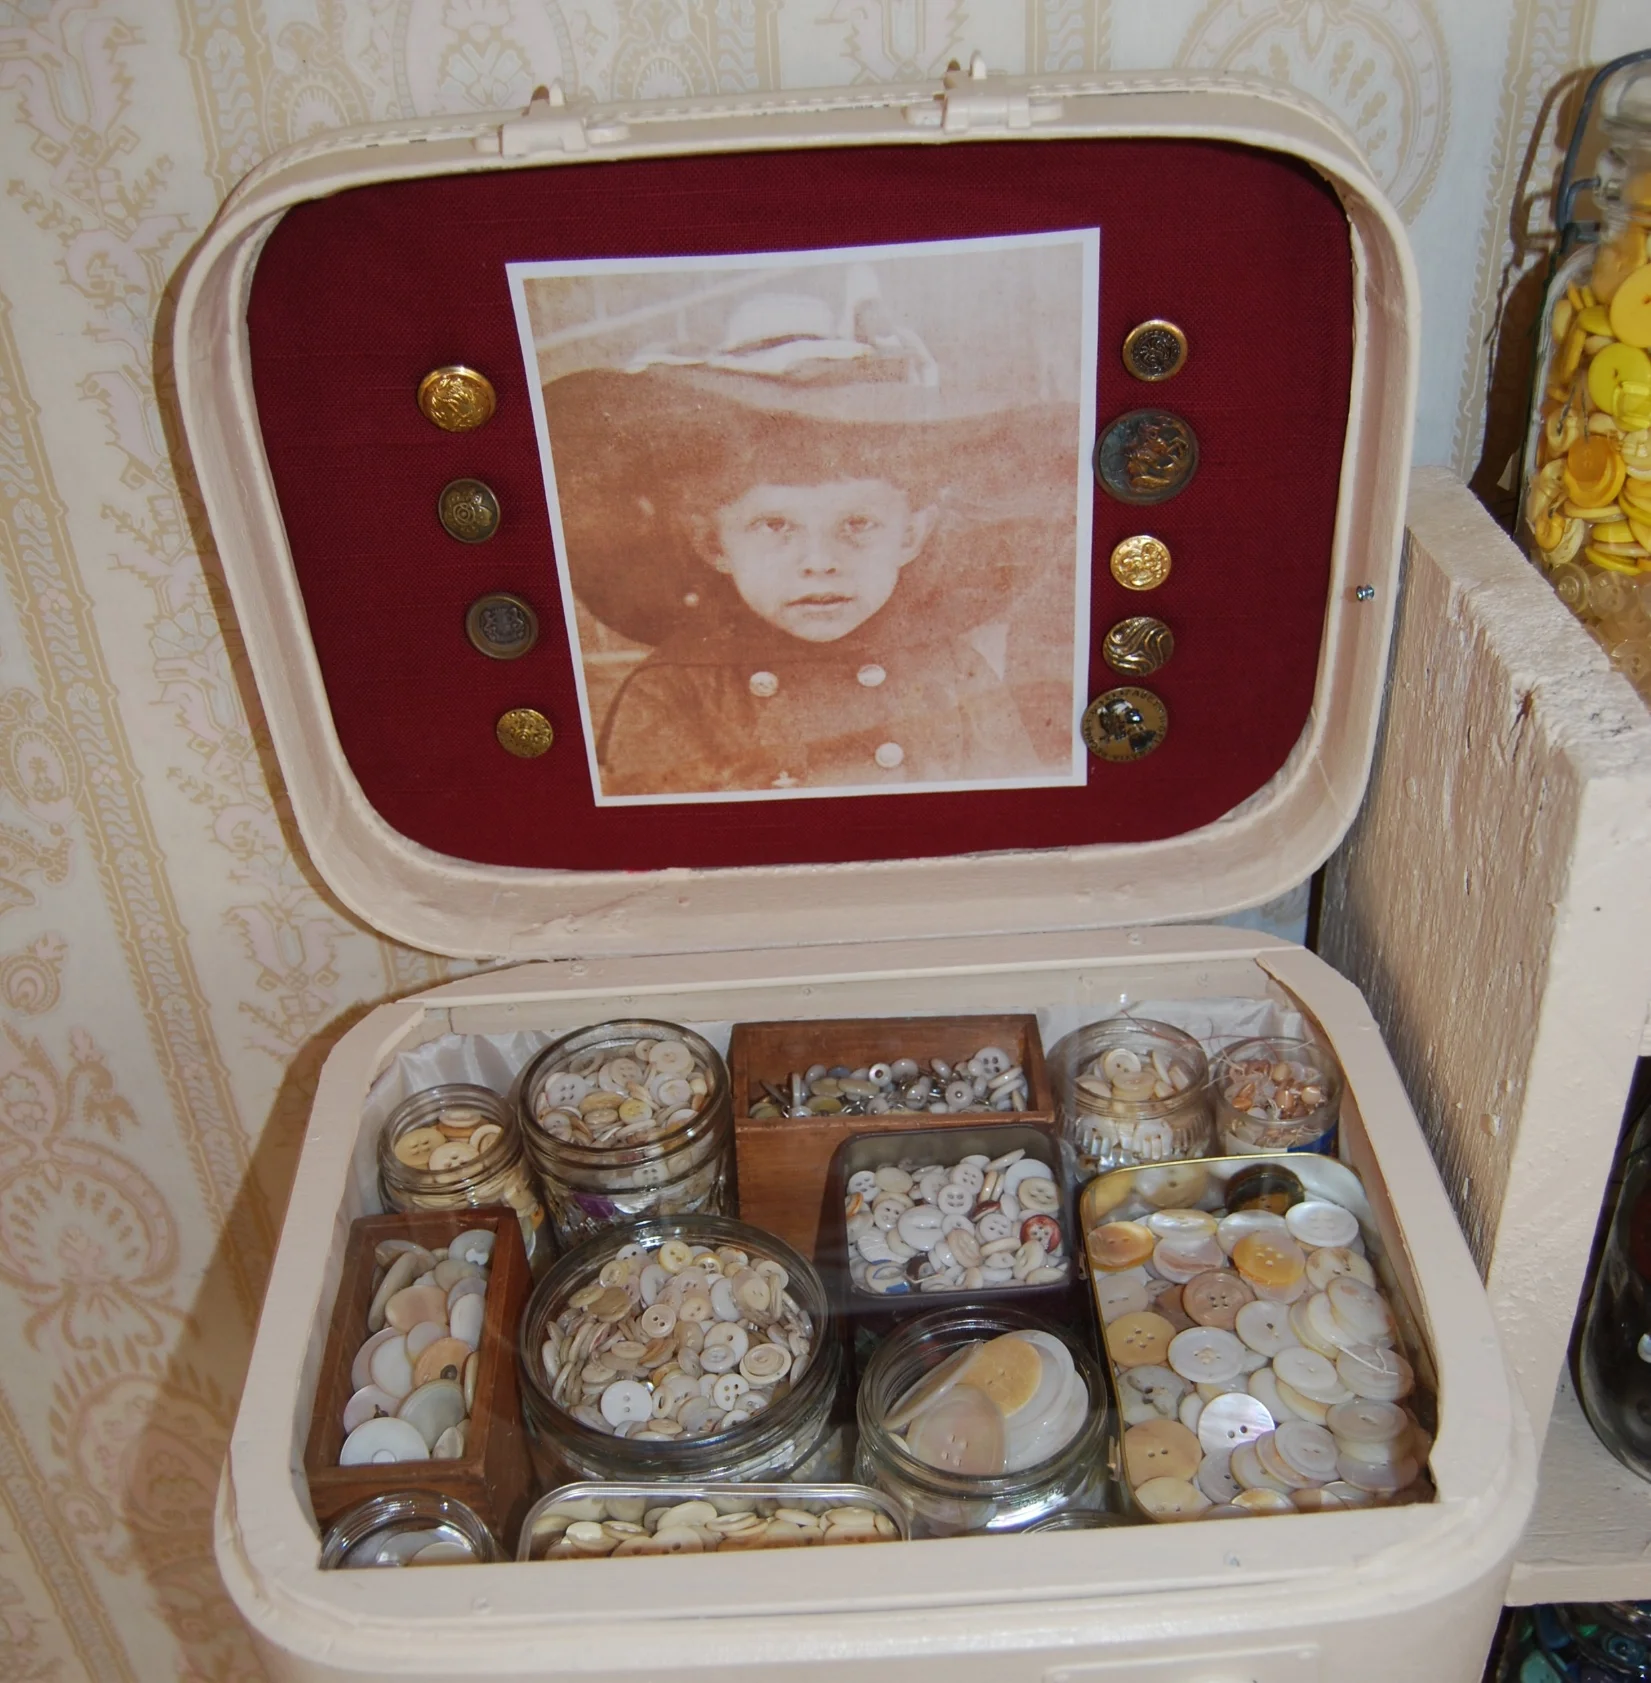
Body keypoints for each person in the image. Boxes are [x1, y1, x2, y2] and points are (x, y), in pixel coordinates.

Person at [537, 275, 1081, 798]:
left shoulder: (951, 670)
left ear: (911, 536)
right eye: (775, 526)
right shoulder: (676, 691)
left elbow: (1005, 818)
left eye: (858, 524)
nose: (820, 561)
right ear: (715, 545)